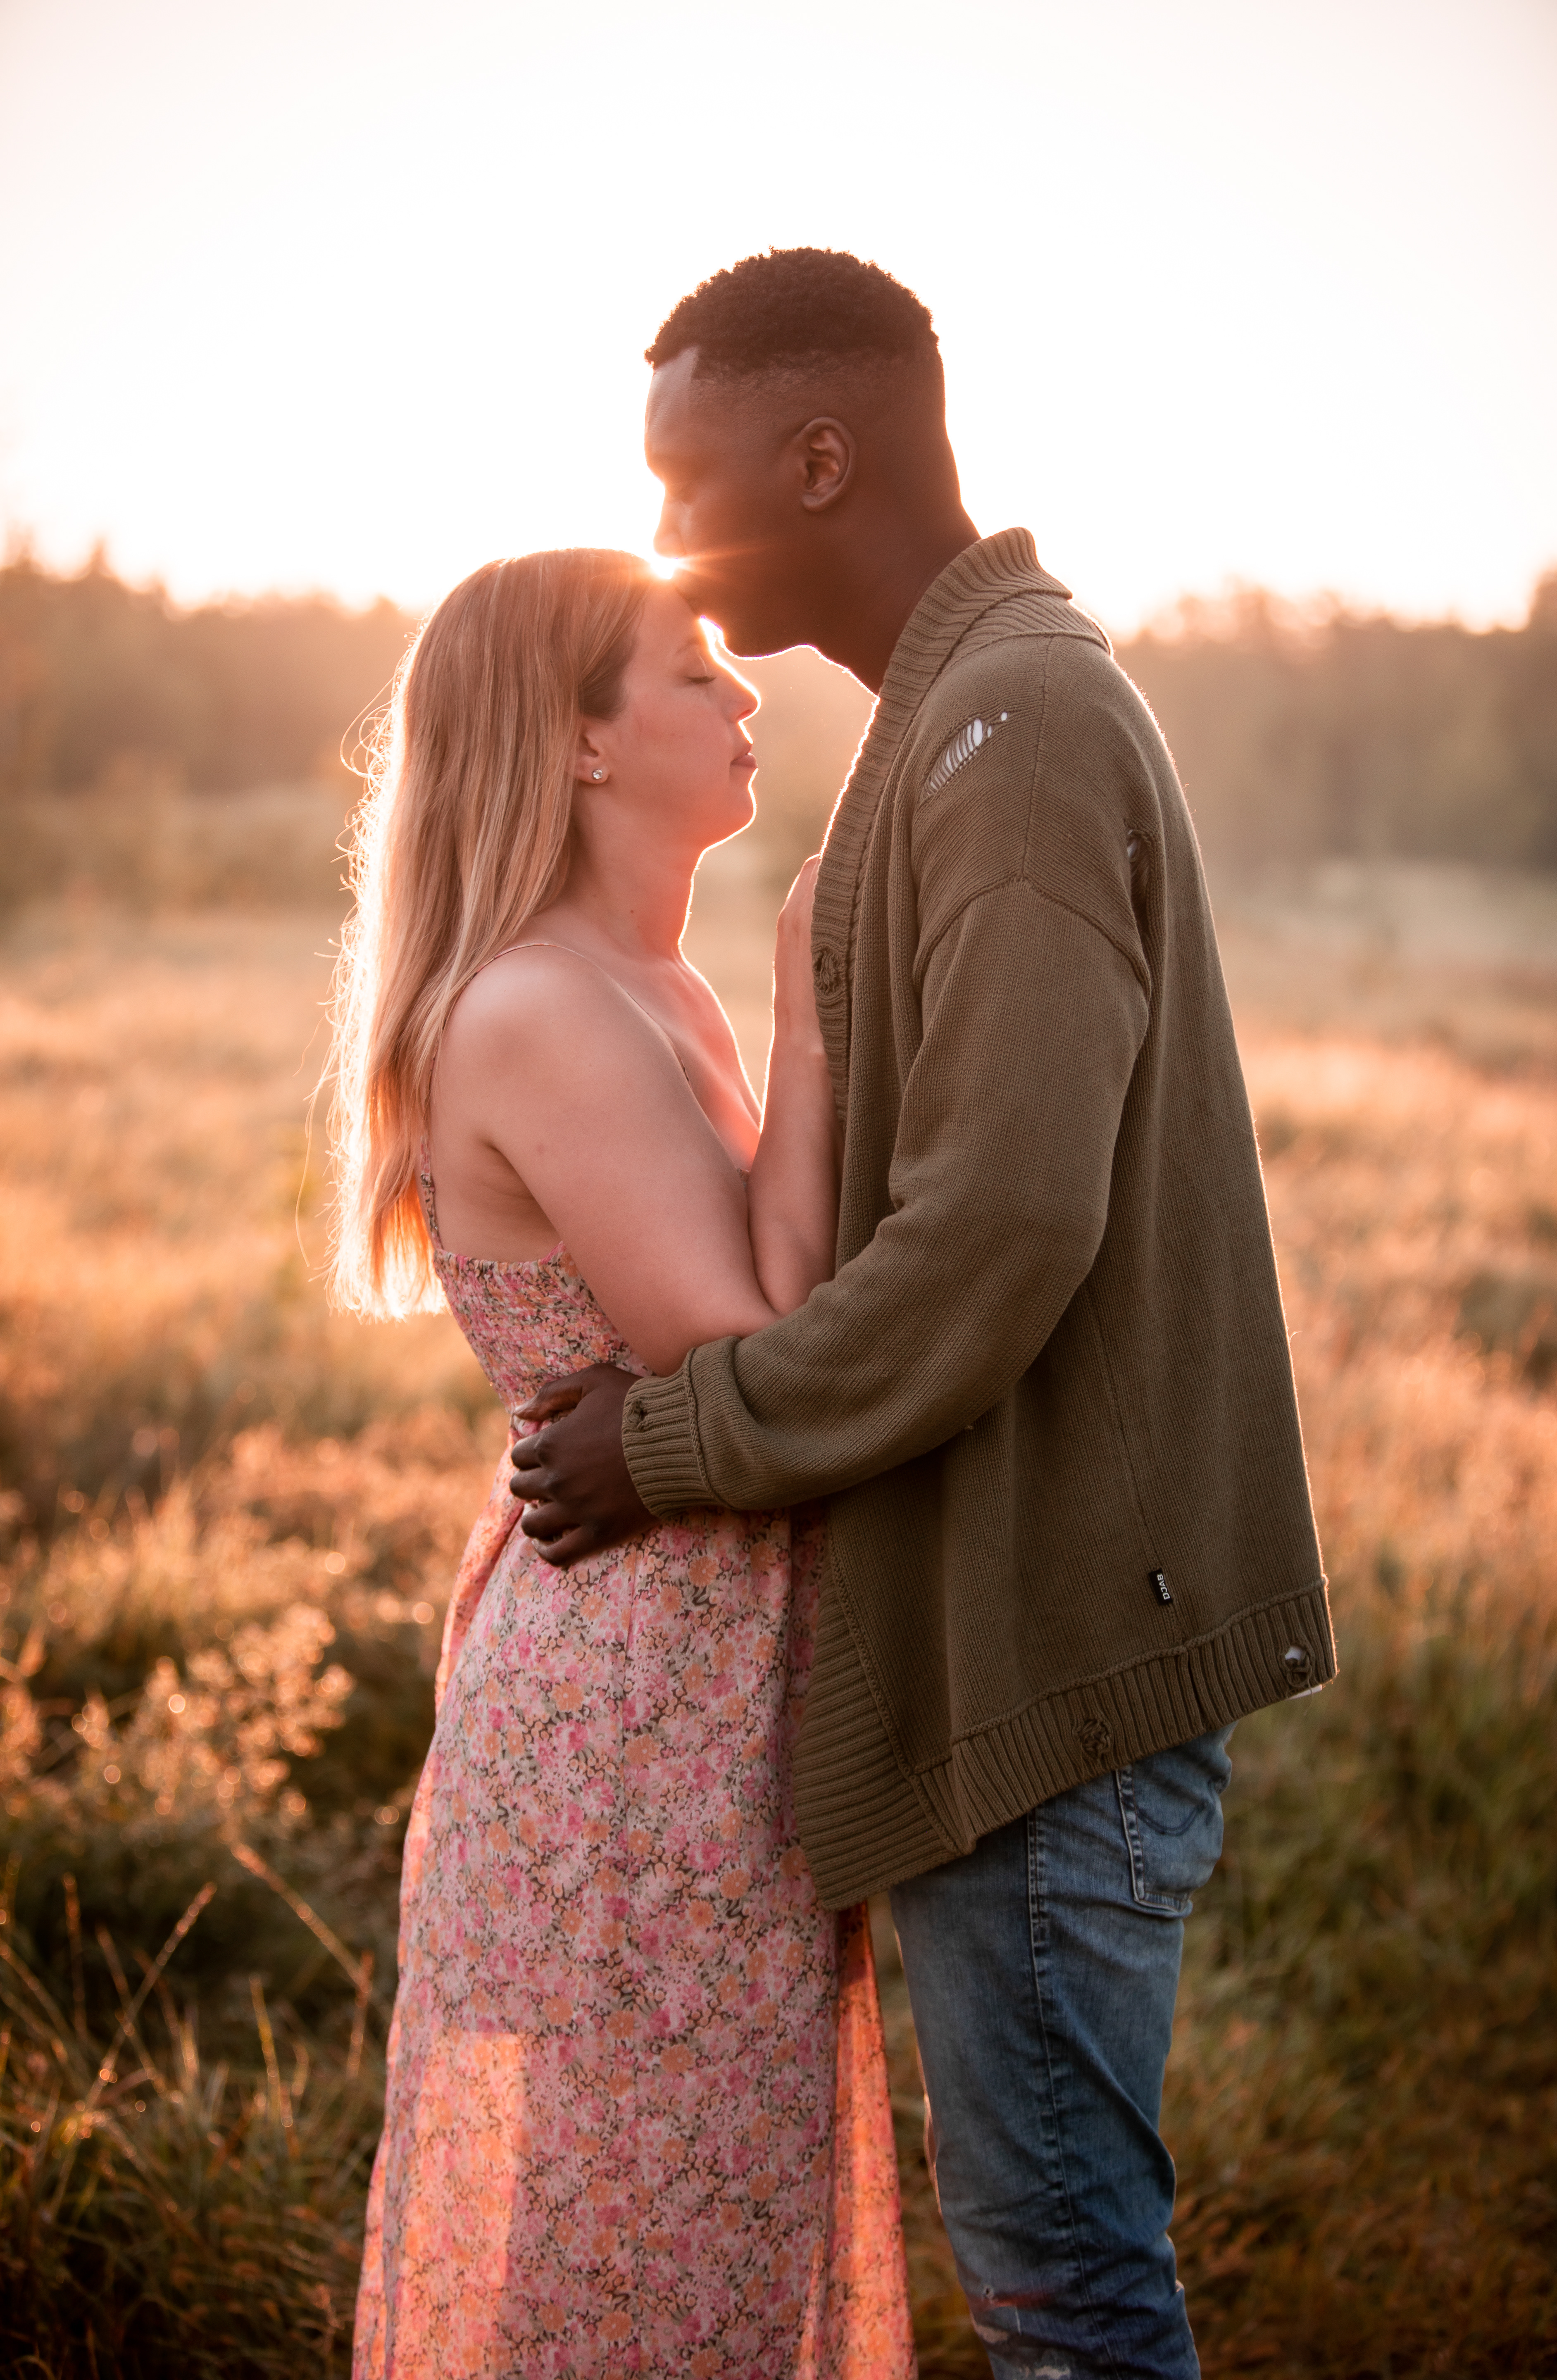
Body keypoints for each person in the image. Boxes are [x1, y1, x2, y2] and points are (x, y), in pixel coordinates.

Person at [508, 248, 1335, 2379]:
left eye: (685, 486)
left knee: (1065, 2303)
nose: (667, 540)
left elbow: (988, 1246)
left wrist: (666, 1441)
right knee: (1051, 2277)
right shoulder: (960, 725)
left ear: (821, 450)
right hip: (1019, 1626)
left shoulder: (1016, 729)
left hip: (1058, 1646)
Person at [329, 546, 915, 2377]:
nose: (750, 700)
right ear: (577, 744)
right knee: (628, 2244)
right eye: (697, 674)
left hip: (706, 1665)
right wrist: (820, 1017)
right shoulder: (542, 1009)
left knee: (699, 2220)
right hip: (628, 1705)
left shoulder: (652, 990)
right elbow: (749, 1348)